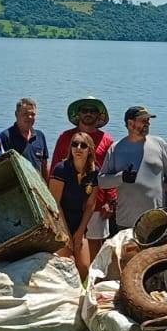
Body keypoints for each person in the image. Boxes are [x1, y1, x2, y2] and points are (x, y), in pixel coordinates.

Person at [51, 96, 116, 257]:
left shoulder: (107, 140)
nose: (88, 114)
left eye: (92, 111)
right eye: (84, 110)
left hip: (97, 204)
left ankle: (92, 281)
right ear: (78, 114)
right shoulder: (65, 137)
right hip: (67, 205)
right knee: (66, 249)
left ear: (98, 115)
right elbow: (54, 168)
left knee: (94, 251)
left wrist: (111, 200)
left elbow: (111, 172)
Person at [99, 107, 167, 234]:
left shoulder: (159, 144)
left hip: (156, 220)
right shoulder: (116, 148)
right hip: (126, 222)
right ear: (130, 123)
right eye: (143, 120)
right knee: (128, 254)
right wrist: (121, 177)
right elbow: (101, 181)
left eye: (148, 120)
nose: (148, 123)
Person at [50, 130, 102, 276]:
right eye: (75, 144)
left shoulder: (94, 172)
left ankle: (81, 296)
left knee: (84, 268)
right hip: (60, 224)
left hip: (78, 224)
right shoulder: (61, 169)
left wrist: (80, 232)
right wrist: (66, 234)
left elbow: (91, 204)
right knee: (65, 266)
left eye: (83, 145)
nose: (78, 148)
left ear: (90, 150)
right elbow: (55, 204)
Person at [0, 97, 49, 174]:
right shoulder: (5, 137)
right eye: (25, 114)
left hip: (37, 185)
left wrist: (46, 185)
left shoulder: (40, 136)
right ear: (16, 114)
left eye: (33, 114)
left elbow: (44, 165)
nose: (29, 117)